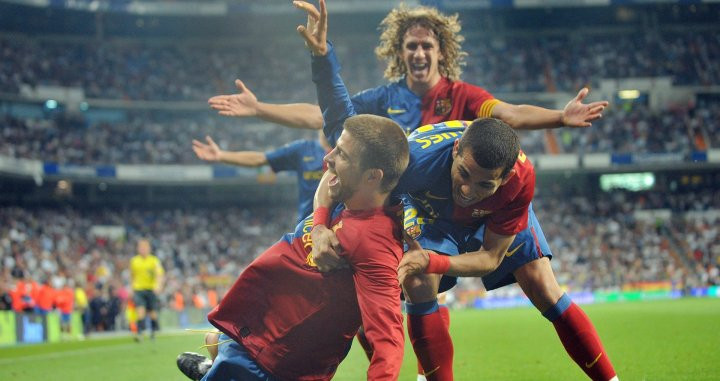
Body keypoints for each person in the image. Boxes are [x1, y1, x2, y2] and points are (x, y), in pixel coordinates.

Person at [298, 1, 618, 380]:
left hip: (488, 211)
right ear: (455, 151)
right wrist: (319, 225)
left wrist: (559, 118)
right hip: (431, 206)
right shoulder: (408, 158)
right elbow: (339, 151)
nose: (468, 190)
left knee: (542, 284)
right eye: (463, 174)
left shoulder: (517, 173)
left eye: (484, 182)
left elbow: (491, 255)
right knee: (415, 281)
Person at [177, 113, 410, 381]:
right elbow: (328, 180)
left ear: (372, 177)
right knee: (220, 345)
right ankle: (217, 357)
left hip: (270, 361)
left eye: (342, 155)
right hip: (256, 333)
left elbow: (389, 339)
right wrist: (320, 224)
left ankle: (215, 363)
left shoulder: (374, 243)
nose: (328, 158)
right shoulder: (347, 194)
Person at [192, 130, 330, 223]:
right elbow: (259, 159)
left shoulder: (346, 147)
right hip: (308, 227)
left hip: (341, 225)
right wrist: (221, 156)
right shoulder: (303, 149)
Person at [129, 238, 164, 341]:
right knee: (140, 311)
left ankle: (153, 332)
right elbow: (132, 275)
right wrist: (132, 287)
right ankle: (140, 333)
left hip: (151, 289)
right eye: (141, 247)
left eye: (145, 247)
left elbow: (159, 274)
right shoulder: (134, 261)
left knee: (152, 312)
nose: (143, 249)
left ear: (149, 248)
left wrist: (158, 285)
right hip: (139, 289)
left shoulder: (154, 260)